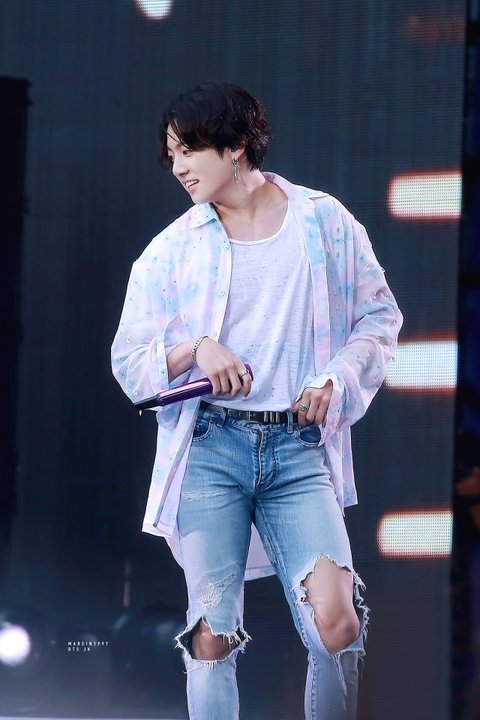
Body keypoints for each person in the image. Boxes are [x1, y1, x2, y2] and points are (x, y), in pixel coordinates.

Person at [111, 81, 403, 720]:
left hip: (298, 450)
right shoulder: (173, 250)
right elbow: (130, 363)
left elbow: (380, 317)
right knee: (213, 632)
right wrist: (195, 348)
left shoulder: (324, 222)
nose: (179, 167)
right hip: (211, 450)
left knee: (338, 622)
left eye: (190, 150)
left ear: (237, 145)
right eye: (172, 155)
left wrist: (336, 380)